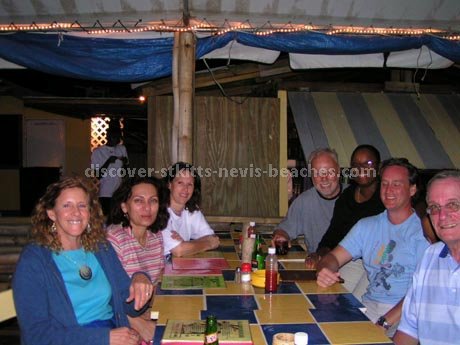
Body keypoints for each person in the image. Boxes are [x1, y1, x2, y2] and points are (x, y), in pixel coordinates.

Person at [13, 177, 153, 345]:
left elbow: (128, 304)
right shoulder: (34, 260)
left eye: (82, 205)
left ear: (90, 212)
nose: (76, 212)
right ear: (51, 213)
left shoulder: (101, 248)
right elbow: (35, 336)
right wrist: (104, 338)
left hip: (115, 334)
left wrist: (140, 279)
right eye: (67, 205)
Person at [316, 158, 429, 336]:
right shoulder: (367, 226)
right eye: (384, 184)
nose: (388, 190)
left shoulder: (423, 232)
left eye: (396, 184)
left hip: (404, 315)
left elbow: (422, 292)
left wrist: (384, 322)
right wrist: (325, 269)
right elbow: (333, 257)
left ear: (412, 189)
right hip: (368, 307)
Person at [306, 144, 385, 298]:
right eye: (356, 164)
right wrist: (318, 255)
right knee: (327, 294)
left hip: (379, 263)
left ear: (379, 167)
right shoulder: (346, 198)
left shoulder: (386, 196)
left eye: (368, 163)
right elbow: (332, 235)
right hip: (351, 260)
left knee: (353, 303)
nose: (361, 168)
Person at [393, 170, 460, 345]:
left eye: (453, 205)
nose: (443, 216)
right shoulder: (431, 256)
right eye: (435, 208)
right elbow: (408, 331)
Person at [107, 176, 170, 343]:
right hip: (118, 321)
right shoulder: (114, 238)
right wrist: (138, 322)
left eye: (153, 201)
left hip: (146, 313)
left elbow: (156, 284)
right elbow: (107, 296)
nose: (147, 207)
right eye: (138, 201)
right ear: (124, 206)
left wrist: (152, 310)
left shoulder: (156, 236)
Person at [272, 148, 342, 253]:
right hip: (315, 263)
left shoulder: (354, 197)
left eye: (329, 171)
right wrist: (281, 236)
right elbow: (285, 229)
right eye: (317, 173)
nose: (324, 178)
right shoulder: (305, 201)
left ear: (338, 171)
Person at [162, 162, 220, 257]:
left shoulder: (191, 209)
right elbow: (179, 251)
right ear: (169, 184)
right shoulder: (159, 212)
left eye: (190, 184)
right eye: (180, 183)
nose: (185, 189)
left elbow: (214, 238)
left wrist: (186, 244)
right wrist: (206, 243)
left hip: (178, 264)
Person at [91, 125, 129, 215]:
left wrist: (125, 163)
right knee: (107, 218)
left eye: (118, 137)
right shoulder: (98, 152)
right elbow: (98, 175)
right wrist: (108, 162)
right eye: (113, 136)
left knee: (119, 218)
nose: (115, 139)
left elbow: (125, 172)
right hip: (106, 193)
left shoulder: (122, 149)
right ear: (107, 136)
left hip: (119, 192)